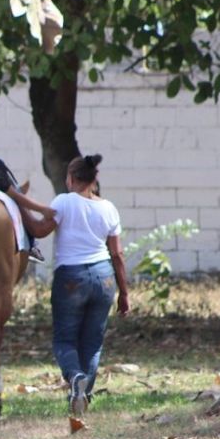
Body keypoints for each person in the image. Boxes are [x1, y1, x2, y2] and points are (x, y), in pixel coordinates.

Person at [25, 154, 131, 422]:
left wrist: (19, 207)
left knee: (64, 339)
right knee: (92, 344)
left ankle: (75, 378)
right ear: (94, 181)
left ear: (70, 179)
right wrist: (124, 294)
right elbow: (117, 254)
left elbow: (39, 230)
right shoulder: (109, 208)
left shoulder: (63, 202)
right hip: (104, 277)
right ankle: (83, 395)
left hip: (71, 277)